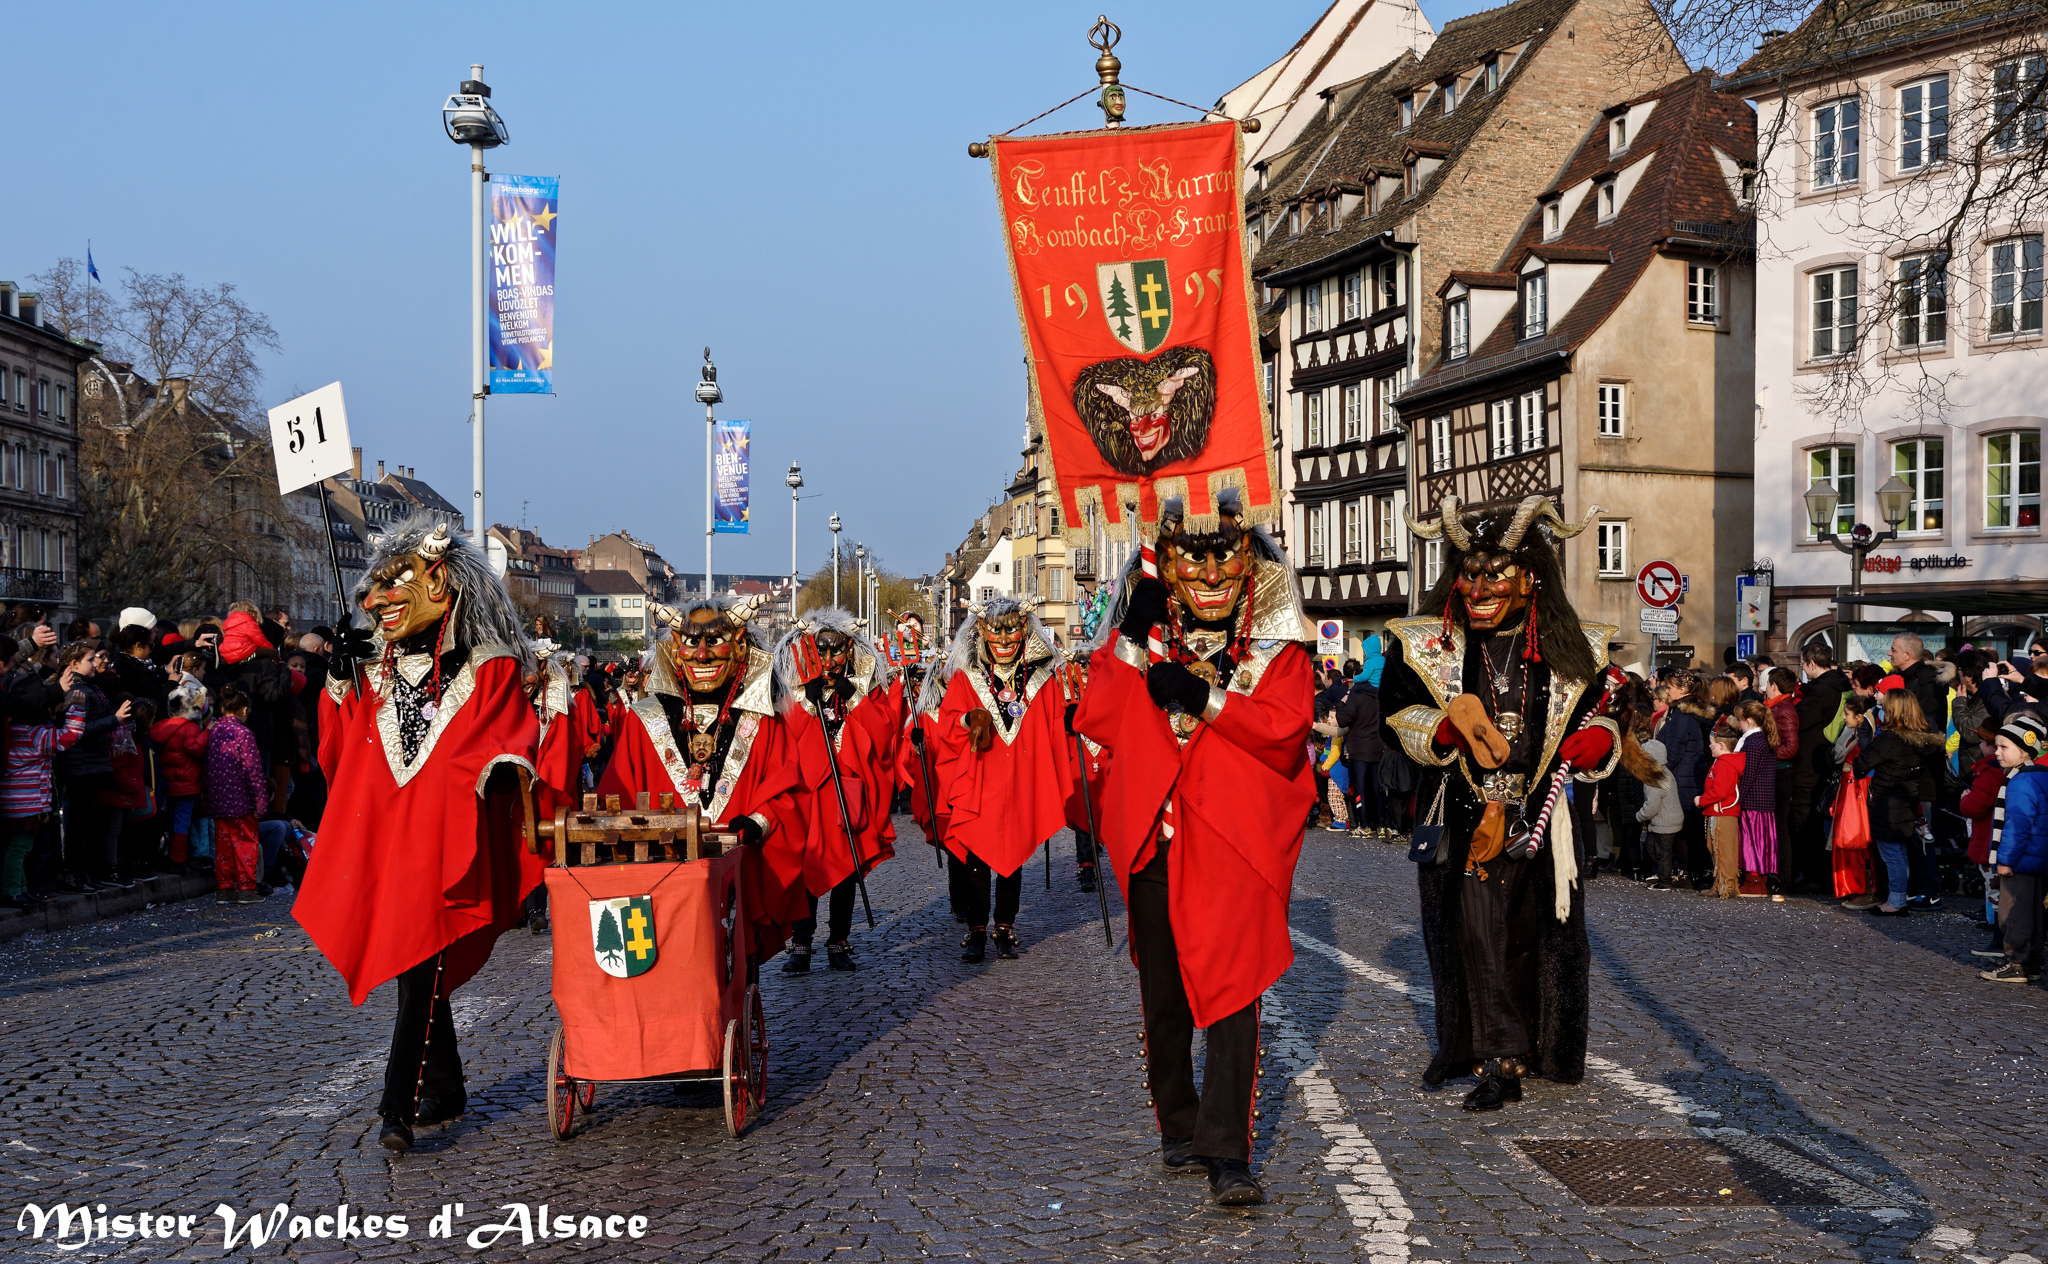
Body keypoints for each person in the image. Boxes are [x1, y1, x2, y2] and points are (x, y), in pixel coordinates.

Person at [1076, 493, 1313, 1206]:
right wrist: (1130, 631)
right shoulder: (1146, 640)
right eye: (1192, 556)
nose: (1209, 573)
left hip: (1232, 847)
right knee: (1165, 1000)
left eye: (1224, 555)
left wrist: (1204, 698)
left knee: (1235, 996)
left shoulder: (1277, 649)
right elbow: (1098, 717)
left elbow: (1283, 732)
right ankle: (1178, 1124)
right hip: (1157, 844)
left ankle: (1227, 1151)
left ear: (1250, 561)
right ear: (1168, 564)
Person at [295, 517, 545, 1155]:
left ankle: (396, 1106)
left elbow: (509, 734)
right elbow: (341, 752)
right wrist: (340, 682)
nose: (376, 599)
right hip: (388, 845)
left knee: (419, 968)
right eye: (373, 588)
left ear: (439, 584)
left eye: (392, 584)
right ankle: (447, 1088)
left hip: (445, 842)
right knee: (416, 963)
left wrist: (500, 768)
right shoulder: (375, 672)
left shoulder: (488, 665)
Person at [1379, 494, 1633, 1120]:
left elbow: (1610, 708)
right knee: (1480, 928)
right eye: (1469, 574)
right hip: (1467, 812)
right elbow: (1397, 713)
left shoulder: (1575, 647)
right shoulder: (1427, 645)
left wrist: (1602, 735)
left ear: (1529, 579)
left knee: (1538, 932)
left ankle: (1538, 1046)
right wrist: (1440, 729)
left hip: (1544, 813)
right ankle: (1499, 1059)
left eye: (1495, 574)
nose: (1479, 588)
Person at [596, 594, 812, 974]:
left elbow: (788, 793)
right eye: (692, 642)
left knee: (736, 972)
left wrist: (759, 821)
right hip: (662, 882)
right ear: (675, 648)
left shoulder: (765, 720)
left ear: (740, 645)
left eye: (714, 641)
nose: (702, 655)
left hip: (738, 877)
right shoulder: (643, 720)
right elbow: (616, 796)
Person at [927, 595, 1072, 964]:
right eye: (996, 631)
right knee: (976, 857)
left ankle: (1005, 927)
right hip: (981, 782)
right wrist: (968, 720)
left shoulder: (1041, 678)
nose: (1004, 640)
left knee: (1014, 859)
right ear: (981, 630)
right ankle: (976, 930)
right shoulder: (967, 677)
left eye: (1011, 630)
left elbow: (1054, 724)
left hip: (1022, 781)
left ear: (1024, 628)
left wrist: (1070, 720)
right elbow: (948, 723)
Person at [772, 609, 901, 972]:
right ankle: (801, 943)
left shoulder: (864, 689)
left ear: (850, 651)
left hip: (848, 792)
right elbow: (783, 738)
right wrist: (804, 704)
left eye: (836, 652)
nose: (828, 661)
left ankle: (838, 941)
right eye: (821, 652)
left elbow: (883, 732)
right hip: (810, 796)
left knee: (847, 870)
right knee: (806, 868)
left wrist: (855, 697)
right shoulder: (793, 690)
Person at [1854, 688, 1945, 917]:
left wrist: (1865, 741)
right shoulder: (1922, 738)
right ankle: (1900, 897)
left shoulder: (1891, 738)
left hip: (1887, 801)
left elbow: (1860, 765)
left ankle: (1896, 901)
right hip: (1909, 798)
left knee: (1892, 854)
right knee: (1901, 852)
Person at [1982, 714, 2048, 982]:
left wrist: (2005, 860)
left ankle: (2017, 963)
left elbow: (2017, 826)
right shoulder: (2040, 776)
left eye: (2004, 747)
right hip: (2037, 859)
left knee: (2013, 912)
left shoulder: (2020, 782)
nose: (1997, 752)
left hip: (2020, 860)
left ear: (2024, 750)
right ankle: (2032, 962)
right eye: (1996, 746)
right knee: (2033, 912)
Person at [203, 683, 266, 904]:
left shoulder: (213, 732)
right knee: (245, 843)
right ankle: (247, 888)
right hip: (241, 800)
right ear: (244, 710)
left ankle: (224, 888)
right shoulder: (244, 734)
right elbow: (253, 771)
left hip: (218, 799)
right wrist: (260, 802)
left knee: (223, 846)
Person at [1959, 725, 2007, 959]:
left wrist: (1965, 799)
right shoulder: (1999, 772)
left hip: (1989, 841)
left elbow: (1974, 807)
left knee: (1995, 892)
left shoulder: (1989, 773)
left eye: (1982, 741)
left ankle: (1999, 940)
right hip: (1993, 840)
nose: (1979, 745)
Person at [1336, 639, 1386, 837]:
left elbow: (1343, 720)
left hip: (1359, 749)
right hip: (1378, 747)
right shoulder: (1380, 697)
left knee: (1360, 788)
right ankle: (1381, 824)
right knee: (1378, 788)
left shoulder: (1355, 696)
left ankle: (1364, 825)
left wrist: (1341, 705)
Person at [1731, 699, 1780, 898]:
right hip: (1763, 800)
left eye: (1740, 720)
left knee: (1751, 842)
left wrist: (1737, 798)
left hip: (1753, 801)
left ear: (1749, 721)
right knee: (1761, 842)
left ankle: (1753, 881)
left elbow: (1748, 774)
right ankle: (1760, 879)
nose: (1739, 723)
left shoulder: (1752, 742)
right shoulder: (1765, 738)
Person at [1698, 719, 1744, 898]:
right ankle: (1721, 884)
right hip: (1720, 812)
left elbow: (1720, 791)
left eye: (1712, 744)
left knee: (1722, 850)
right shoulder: (1722, 762)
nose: (1710, 747)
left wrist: (1701, 800)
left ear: (1722, 745)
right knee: (1718, 850)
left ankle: (1726, 886)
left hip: (1722, 812)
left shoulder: (1725, 764)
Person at [1635, 737, 1684, 890]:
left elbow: (1652, 805)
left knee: (1663, 852)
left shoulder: (1655, 778)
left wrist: (1639, 816)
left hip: (1665, 822)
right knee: (1652, 847)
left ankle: (1665, 881)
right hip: (1667, 820)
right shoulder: (1664, 771)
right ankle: (1665, 872)